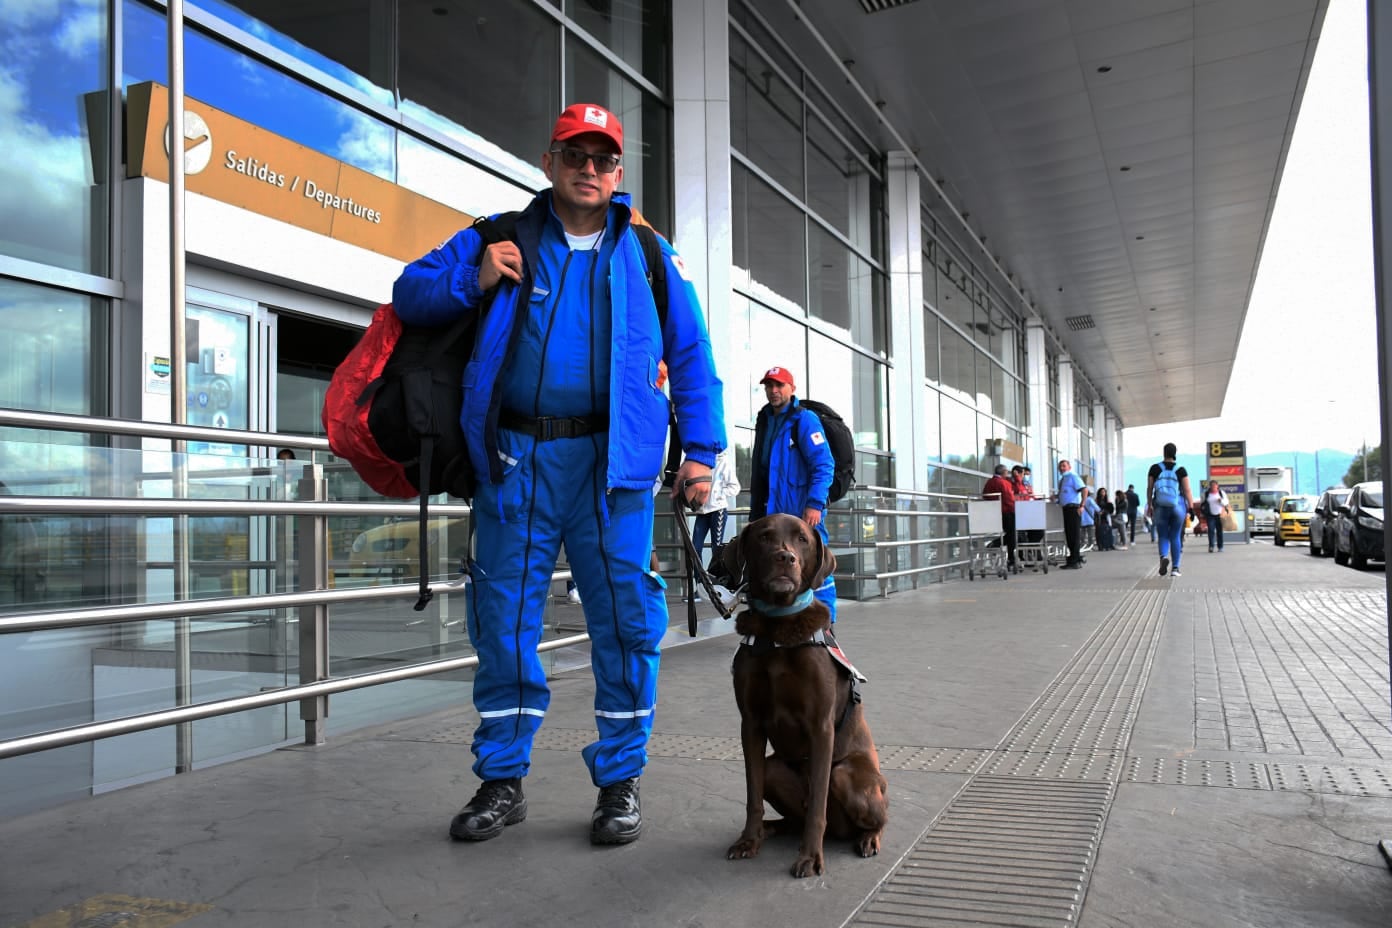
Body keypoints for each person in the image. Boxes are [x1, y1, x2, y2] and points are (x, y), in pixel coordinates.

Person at [392, 103, 725, 846]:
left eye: (602, 158)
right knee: (504, 620)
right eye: (574, 153)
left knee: (627, 625)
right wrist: (472, 279)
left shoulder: (647, 255)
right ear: (548, 162)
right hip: (517, 461)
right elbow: (409, 293)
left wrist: (701, 452)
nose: (588, 168)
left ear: (617, 173)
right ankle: (502, 780)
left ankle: (620, 782)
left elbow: (694, 356)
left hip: (616, 471)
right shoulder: (500, 236)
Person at [749, 365, 837, 621]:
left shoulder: (805, 420)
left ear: (792, 389)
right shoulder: (765, 420)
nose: (774, 391)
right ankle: (782, 625)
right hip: (773, 516)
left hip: (803, 515)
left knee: (818, 569)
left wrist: (814, 504)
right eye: (769, 386)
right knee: (776, 568)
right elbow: (762, 473)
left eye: (779, 385)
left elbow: (823, 464)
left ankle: (827, 627)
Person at [687, 448, 740, 602]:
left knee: (716, 549)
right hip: (702, 512)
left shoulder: (724, 462)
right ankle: (701, 588)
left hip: (718, 510)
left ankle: (718, 587)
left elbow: (735, 487)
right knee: (694, 548)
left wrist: (717, 493)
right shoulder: (700, 463)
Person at [1146, 442, 1192, 578]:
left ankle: (1163, 557)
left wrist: (1150, 504)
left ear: (1164, 452)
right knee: (1175, 536)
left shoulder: (1154, 468)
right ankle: (1175, 568)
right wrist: (1190, 507)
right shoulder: (1180, 470)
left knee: (1163, 536)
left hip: (1160, 506)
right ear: (1175, 453)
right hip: (1177, 507)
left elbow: (1150, 488)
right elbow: (1187, 490)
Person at [982, 464, 1017, 569]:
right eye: (1006, 471)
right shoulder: (1003, 483)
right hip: (1006, 512)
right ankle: (1010, 557)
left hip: (993, 513)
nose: (1007, 473)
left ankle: (999, 548)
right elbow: (1009, 499)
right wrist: (1014, 509)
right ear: (1003, 472)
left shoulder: (989, 482)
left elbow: (985, 495)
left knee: (1010, 535)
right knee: (1012, 535)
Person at [1055, 459, 1085, 569]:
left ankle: (1075, 561)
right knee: (1069, 535)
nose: (1062, 468)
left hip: (1073, 508)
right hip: (1066, 509)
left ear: (1069, 467)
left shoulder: (1073, 476)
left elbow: (1084, 490)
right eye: (1060, 466)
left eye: (1064, 466)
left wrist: (1082, 505)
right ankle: (1073, 558)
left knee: (1074, 535)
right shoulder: (1063, 480)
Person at [1203, 480, 1230, 552]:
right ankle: (1211, 546)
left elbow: (1226, 502)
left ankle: (1220, 546)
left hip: (1220, 515)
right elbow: (1203, 503)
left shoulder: (1221, 493)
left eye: (1215, 485)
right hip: (1210, 515)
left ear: (1217, 486)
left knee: (1219, 531)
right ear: (1210, 486)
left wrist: (1221, 501)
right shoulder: (1207, 494)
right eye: (1212, 485)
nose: (1213, 487)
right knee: (1211, 531)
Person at [1080, 485, 1099, 552]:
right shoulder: (1090, 500)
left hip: (1081, 520)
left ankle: (1082, 546)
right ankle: (1090, 546)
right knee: (1090, 534)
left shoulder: (1080, 500)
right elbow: (1097, 508)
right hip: (1089, 520)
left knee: (1082, 534)